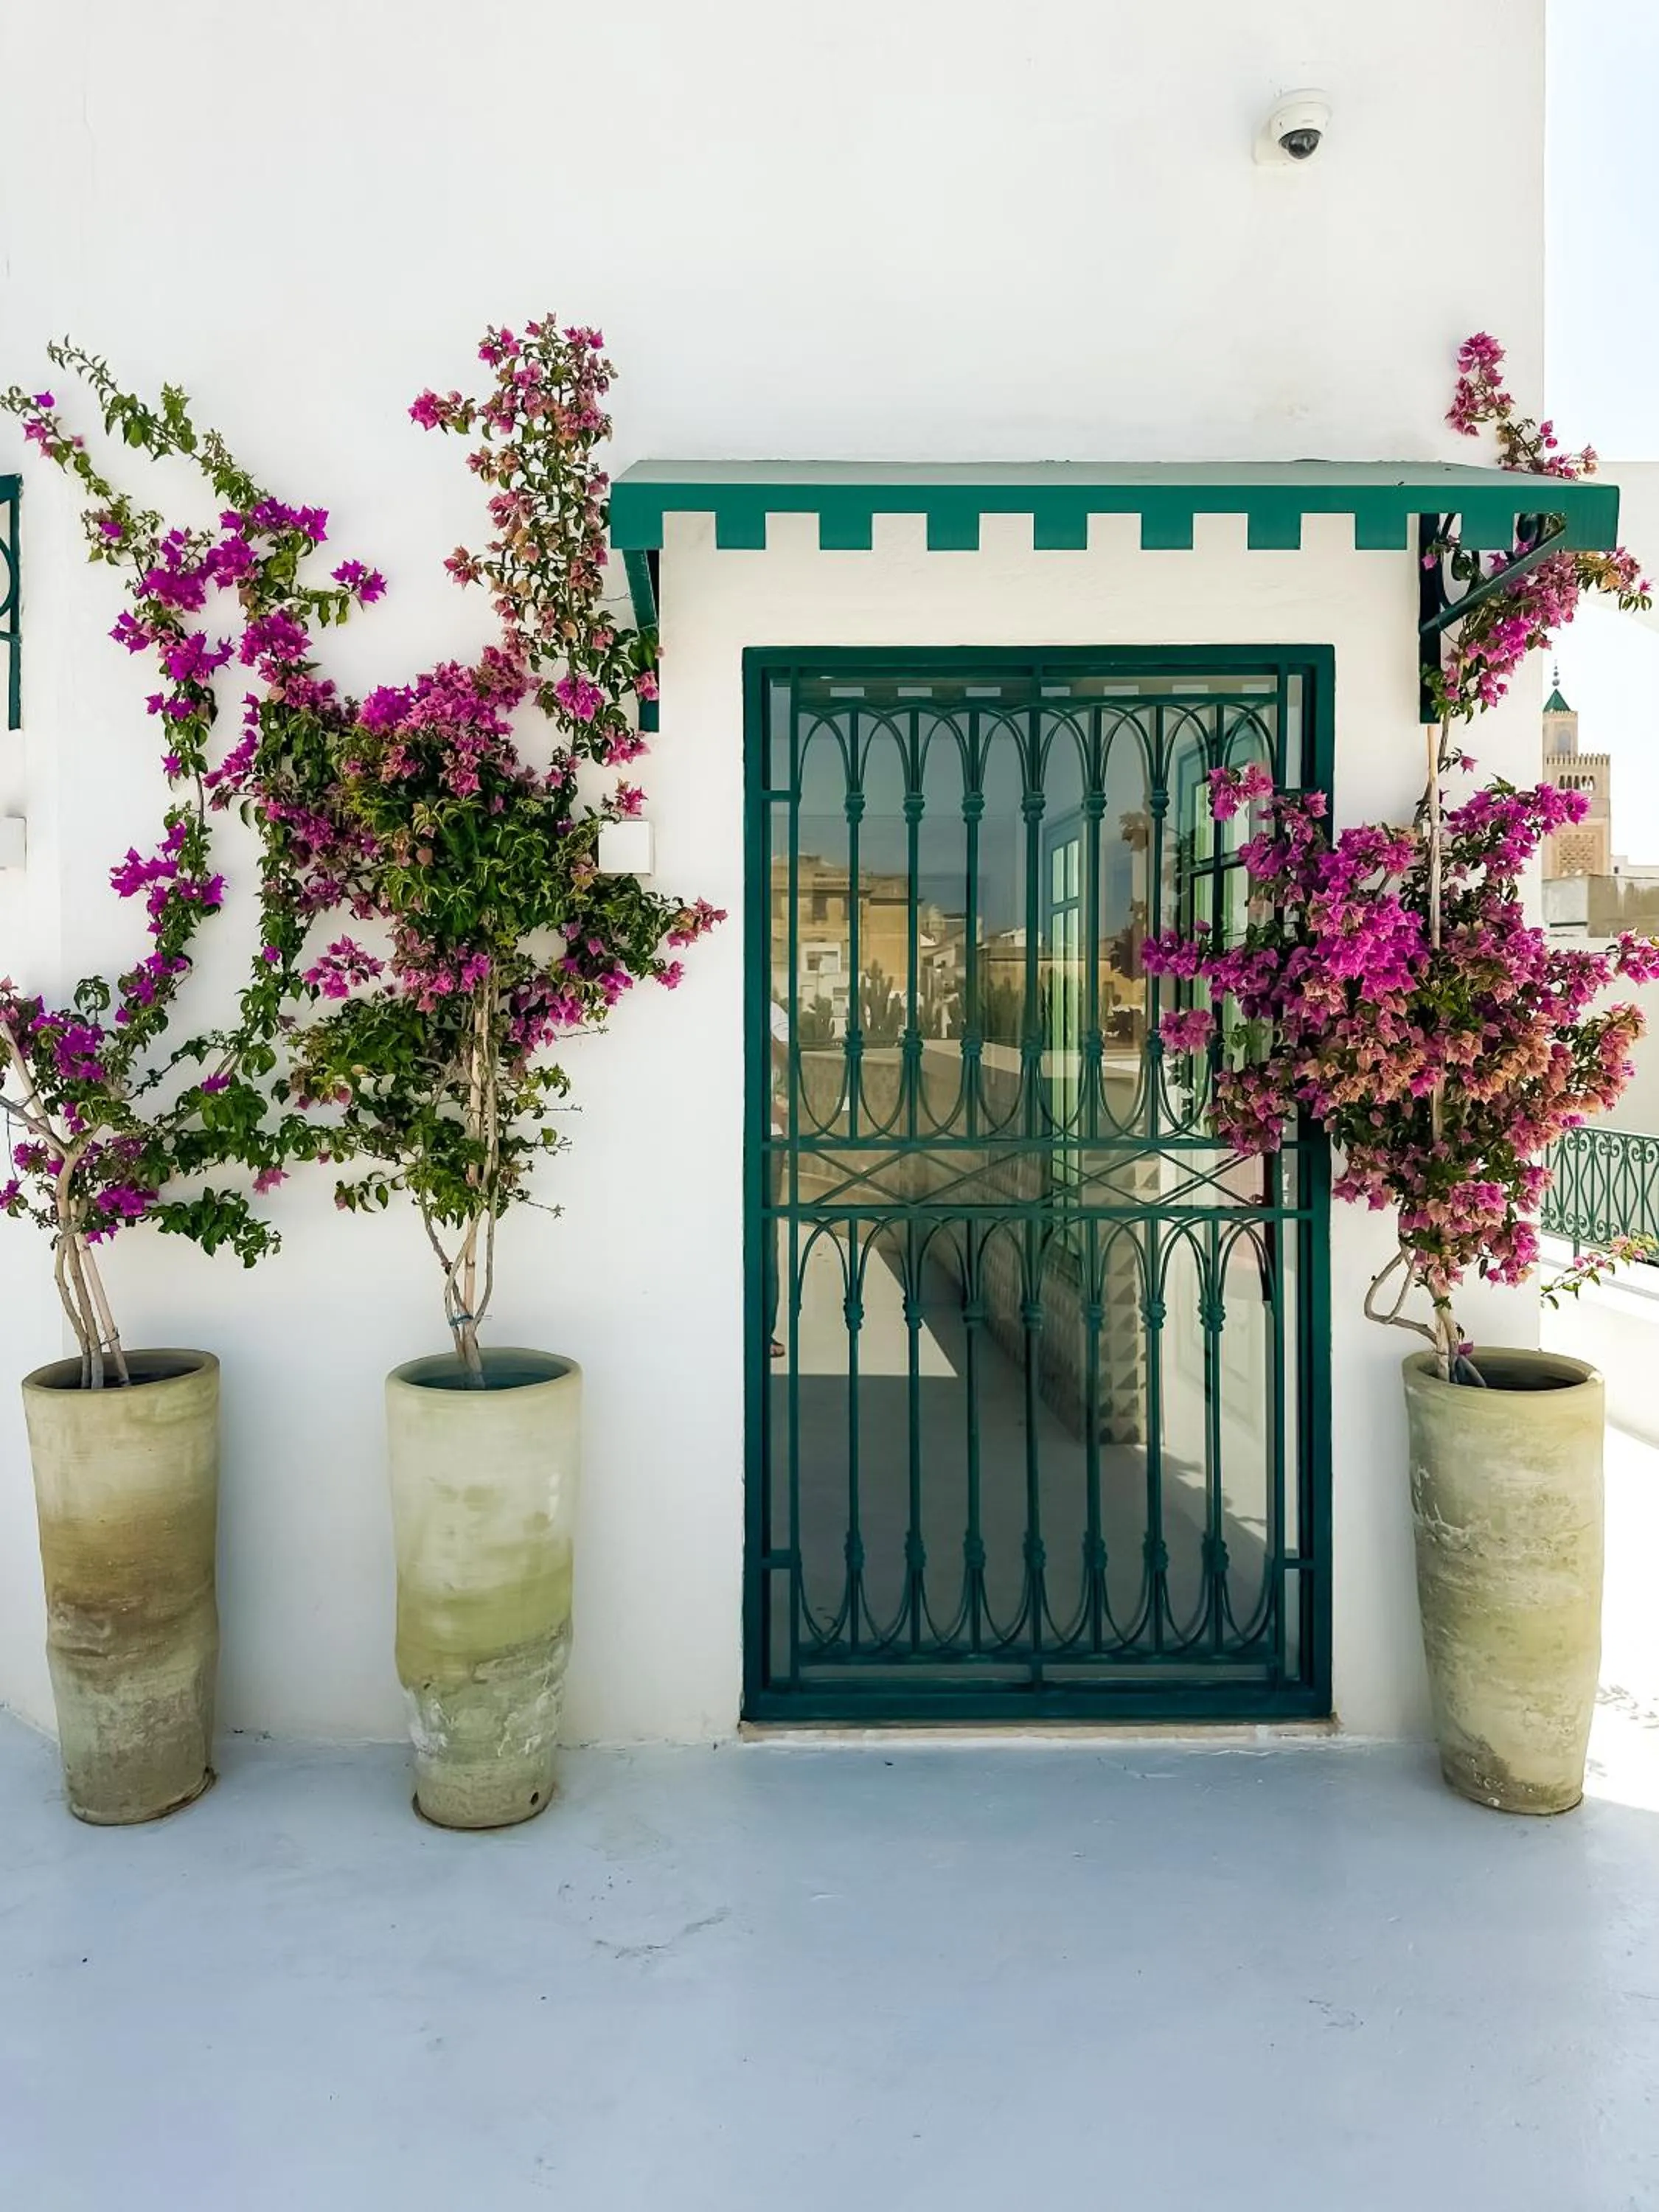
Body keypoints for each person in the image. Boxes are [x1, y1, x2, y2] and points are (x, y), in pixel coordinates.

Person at [765, 999, 789, 1359]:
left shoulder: (773, 1013)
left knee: (765, 1236)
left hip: (768, 1138)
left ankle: (762, 1330)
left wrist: (762, 1032)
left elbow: (790, 1062)